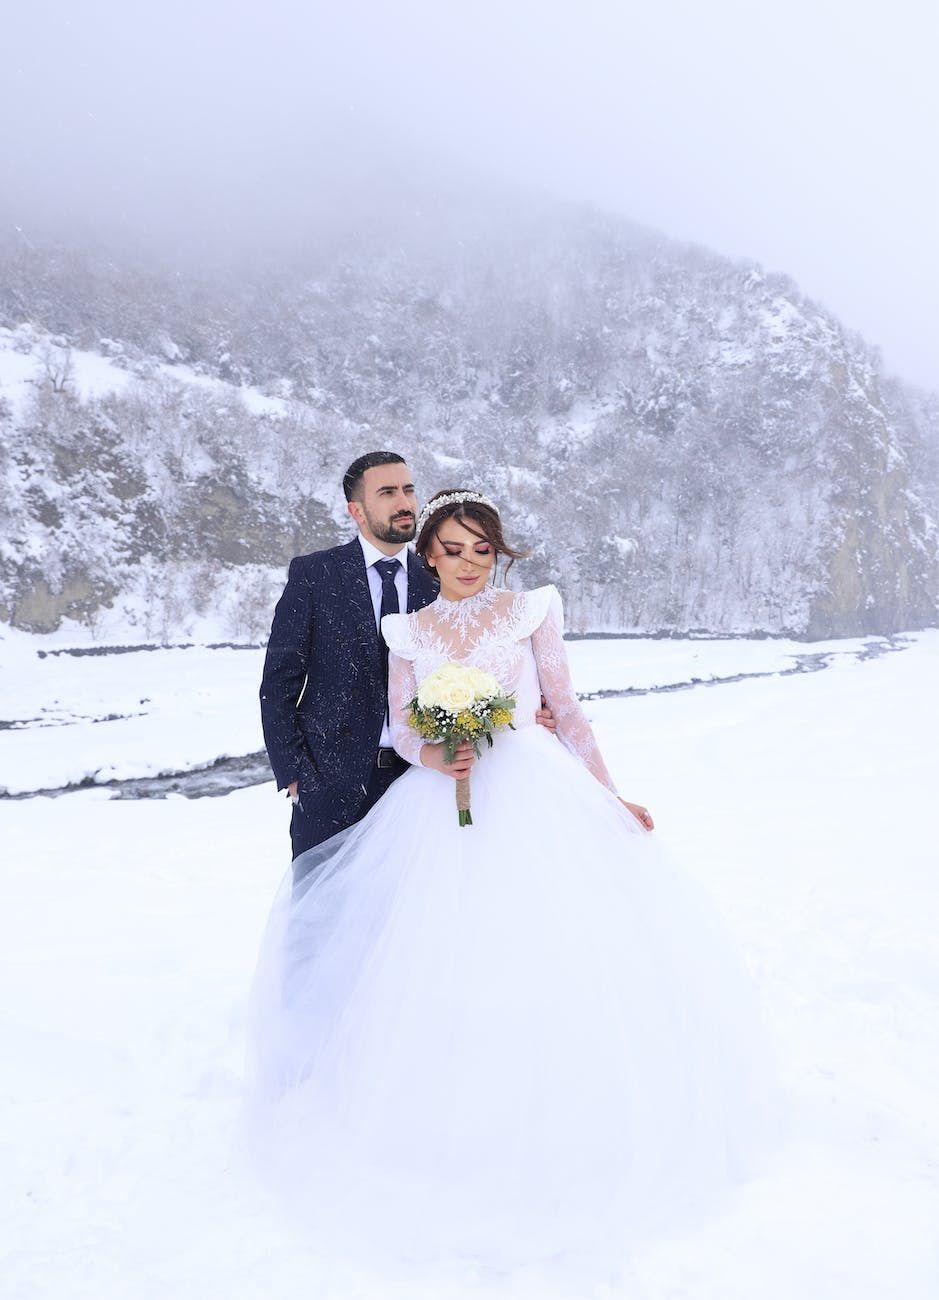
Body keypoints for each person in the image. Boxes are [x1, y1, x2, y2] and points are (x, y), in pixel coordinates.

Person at [247, 489, 776, 1278]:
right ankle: (436, 1135)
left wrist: (608, 794)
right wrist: (437, 754)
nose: (467, 563)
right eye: (453, 550)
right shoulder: (411, 629)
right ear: (427, 554)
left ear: (498, 555)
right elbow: (399, 721)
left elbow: (565, 710)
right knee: (436, 960)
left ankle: (566, 1132)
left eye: (481, 550)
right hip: (439, 805)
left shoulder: (530, 612)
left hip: (533, 792)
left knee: (549, 952)